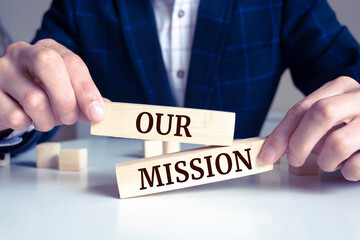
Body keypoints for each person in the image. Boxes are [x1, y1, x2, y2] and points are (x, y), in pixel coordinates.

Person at [1, 0, 360, 181]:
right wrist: (10, 114)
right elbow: (33, 95)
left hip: (244, 210)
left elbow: (351, 71)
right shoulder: (81, 5)